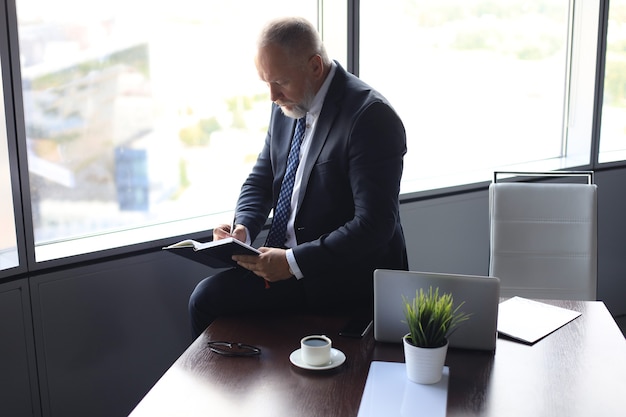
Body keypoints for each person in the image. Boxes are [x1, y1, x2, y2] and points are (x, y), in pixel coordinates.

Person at [188, 16, 408, 338]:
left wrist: (292, 262)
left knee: (206, 299)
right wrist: (243, 228)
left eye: (280, 82)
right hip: (284, 262)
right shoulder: (289, 103)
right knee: (208, 298)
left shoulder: (370, 118)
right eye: (266, 83)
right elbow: (262, 179)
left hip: (340, 274)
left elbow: (374, 226)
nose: (272, 96)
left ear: (315, 67)